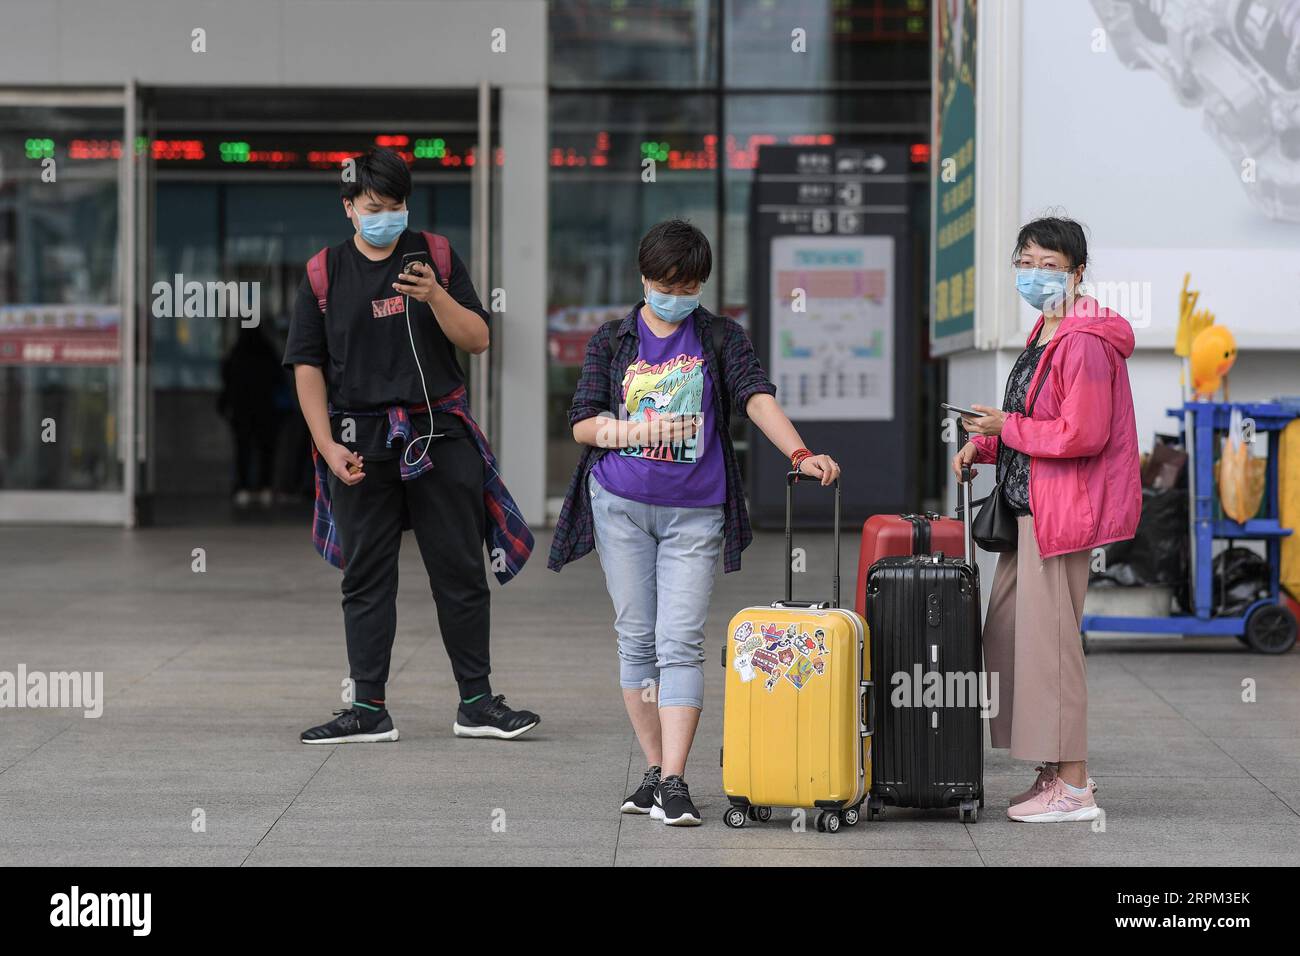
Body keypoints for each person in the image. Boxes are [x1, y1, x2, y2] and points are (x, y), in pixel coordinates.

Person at [549, 219, 841, 826]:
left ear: (702, 284)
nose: (674, 296)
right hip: (620, 504)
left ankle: (676, 779)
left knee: (679, 641)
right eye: (663, 283)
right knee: (636, 637)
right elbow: (582, 423)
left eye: (687, 286)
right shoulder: (613, 339)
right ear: (644, 279)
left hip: (696, 512)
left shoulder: (719, 337)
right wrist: (636, 431)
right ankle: (655, 770)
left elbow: (756, 396)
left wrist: (800, 454)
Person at [283, 147, 538, 744]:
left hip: (440, 432)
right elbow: (307, 366)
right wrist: (325, 444)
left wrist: (435, 297)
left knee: (459, 571)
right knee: (366, 577)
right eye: (374, 207)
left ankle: (476, 703)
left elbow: (478, 339)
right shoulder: (324, 272)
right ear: (350, 209)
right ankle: (367, 708)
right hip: (359, 442)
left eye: (397, 207)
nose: (387, 218)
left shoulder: (438, 257)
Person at [953, 216, 1140, 823]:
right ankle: (1049, 770)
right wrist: (983, 444)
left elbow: (1081, 433)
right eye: (1026, 262)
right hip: (1027, 507)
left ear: (1077, 272)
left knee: (1051, 646)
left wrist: (1002, 428)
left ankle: (1077, 787)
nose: (1034, 274)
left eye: (1049, 265)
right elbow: (1033, 415)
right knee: (1010, 638)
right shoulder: (1046, 331)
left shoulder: (1083, 340)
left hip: (1058, 514)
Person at [218, 325, 284, 508]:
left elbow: (227, 381)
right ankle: (265, 486)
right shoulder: (267, 354)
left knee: (243, 451)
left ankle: (243, 487)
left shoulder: (236, 354)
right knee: (266, 451)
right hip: (266, 410)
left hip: (242, 411)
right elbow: (278, 379)